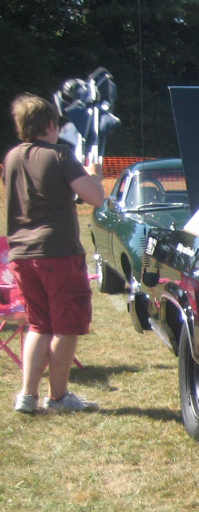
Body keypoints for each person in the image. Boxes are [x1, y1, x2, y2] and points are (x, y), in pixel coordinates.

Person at [4, 92, 106, 412]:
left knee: (38, 324)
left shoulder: (11, 158)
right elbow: (95, 197)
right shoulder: (61, 154)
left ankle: (27, 395)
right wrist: (95, 174)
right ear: (50, 124)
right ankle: (59, 396)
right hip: (58, 252)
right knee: (65, 326)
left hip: (21, 253)